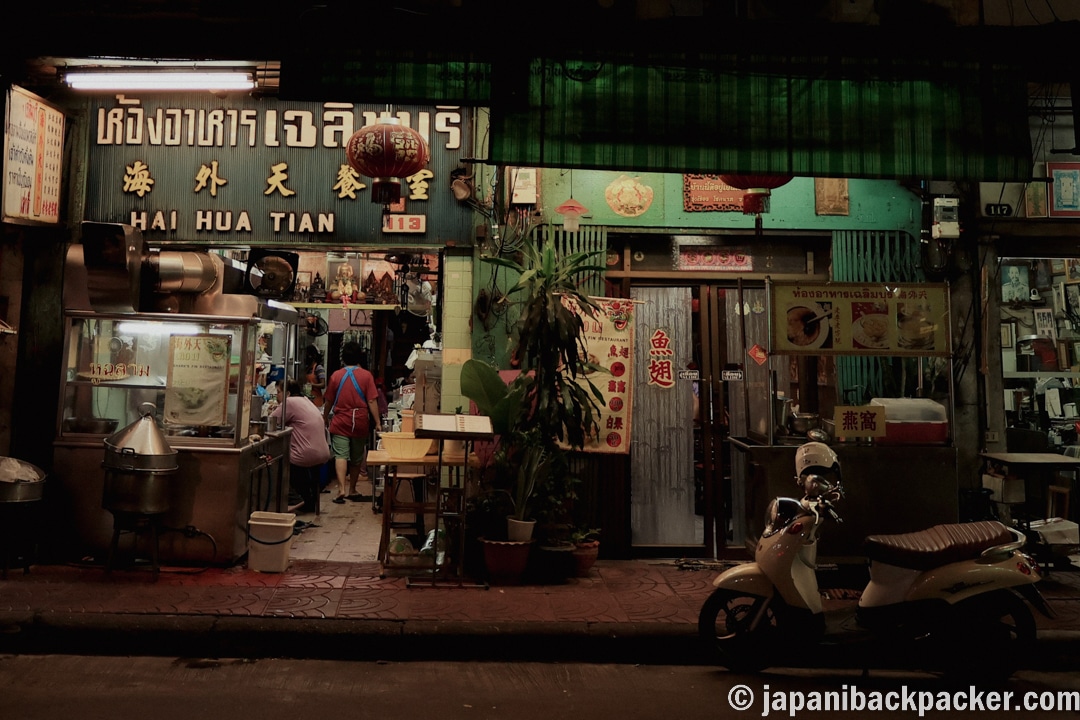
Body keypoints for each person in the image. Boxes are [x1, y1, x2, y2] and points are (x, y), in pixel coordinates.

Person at [323, 341, 382, 504]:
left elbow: (328, 400)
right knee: (356, 458)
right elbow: (371, 401)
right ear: (359, 357)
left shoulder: (336, 375)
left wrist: (324, 417)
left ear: (343, 358)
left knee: (341, 455)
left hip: (341, 419)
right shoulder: (366, 375)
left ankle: (341, 488)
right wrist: (377, 422)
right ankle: (352, 489)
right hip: (360, 420)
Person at [270, 378, 332, 515]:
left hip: (307, 455)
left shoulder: (289, 402)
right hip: (323, 452)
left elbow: (272, 421)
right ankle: (309, 501)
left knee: (277, 460)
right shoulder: (305, 400)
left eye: (278, 392)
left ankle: (294, 498)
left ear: (287, 393)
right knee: (297, 458)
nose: (277, 396)